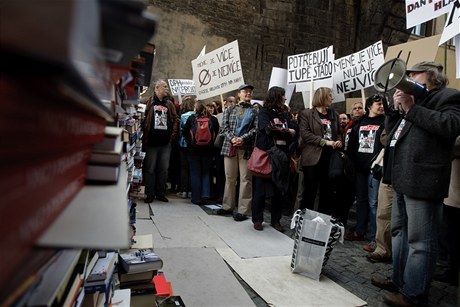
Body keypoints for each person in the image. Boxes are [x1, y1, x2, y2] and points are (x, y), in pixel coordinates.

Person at [370, 61, 460, 306]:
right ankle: (399, 281)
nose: (407, 80)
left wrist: (411, 107)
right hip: (402, 178)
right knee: (400, 233)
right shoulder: (414, 102)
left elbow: (450, 126)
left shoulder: (448, 97)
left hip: (424, 180)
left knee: (421, 241)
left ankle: (414, 294)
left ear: (431, 77)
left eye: (413, 75)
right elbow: (393, 136)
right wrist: (395, 110)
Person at [251, 86, 297, 232]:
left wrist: (289, 130)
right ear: (276, 96)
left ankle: (275, 220)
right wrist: (287, 131)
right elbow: (268, 129)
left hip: (282, 157)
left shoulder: (285, 114)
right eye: (283, 95)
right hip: (267, 155)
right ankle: (257, 219)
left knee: (279, 191)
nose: (285, 98)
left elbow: (295, 130)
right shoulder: (264, 112)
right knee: (260, 191)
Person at [345, 93, 385, 248]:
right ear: (369, 106)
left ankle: (375, 237)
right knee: (361, 200)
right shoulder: (360, 122)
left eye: (382, 104)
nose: (381, 106)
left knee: (374, 202)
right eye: (378, 104)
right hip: (360, 169)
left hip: (375, 169)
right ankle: (360, 230)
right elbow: (353, 144)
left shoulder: (385, 122)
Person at [216, 84, 258, 221]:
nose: (248, 93)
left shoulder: (254, 111)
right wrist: (232, 138)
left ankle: (243, 210)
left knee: (246, 179)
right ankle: (227, 206)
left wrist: (242, 139)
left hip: (246, 148)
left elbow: (255, 129)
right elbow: (224, 127)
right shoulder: (230, 109)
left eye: (250, 91)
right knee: (230, 178)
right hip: (230, 147)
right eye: (245, 91)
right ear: (238, 94)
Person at [298, 87, 343, 216]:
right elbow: (306, 134)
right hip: (313, 158)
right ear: (322, 97)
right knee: (310, 191)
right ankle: (305, 221)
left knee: (327, 192)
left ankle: (322, 223)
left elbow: (339, 132)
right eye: (330, 95)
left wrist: (339, 141)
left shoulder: (334, 114)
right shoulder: (307, 114)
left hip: (330, 158)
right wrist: (325, 142)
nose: (332, 98)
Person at [142, 80, 179, 203]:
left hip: (165, 143)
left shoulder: (169, 103)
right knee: (150, 169)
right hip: (151, 142)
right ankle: (150, 194)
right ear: (157, 88)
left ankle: (161, 193)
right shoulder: (149, 102)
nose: (167, 89)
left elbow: (175, 119)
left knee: (163, 169)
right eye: (165, 87)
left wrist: (172, 136)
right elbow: (144, 116)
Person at [434, 135, 460, 286]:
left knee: (452, 233)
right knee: (450, 233)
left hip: (455, 193)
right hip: (452, 190)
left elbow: (452, 144)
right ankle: (450, 268)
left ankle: (452, 270)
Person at [182, 101, 220, 205]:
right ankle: (205, 196)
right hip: (208, 151)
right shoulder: (213, 119)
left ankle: (196, 198)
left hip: (193, 150)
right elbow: (216, 132)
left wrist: (190, 142)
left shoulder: (192, 119)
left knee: (195, 173)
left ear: (196, 108)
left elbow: (184, 132)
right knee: (206, 173)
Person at [176, 96, 195, 198]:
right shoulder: (196, 115)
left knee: (184, 168)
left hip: (183, 144)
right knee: (192, 168)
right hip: (194, 145)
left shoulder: (183, 116)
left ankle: (183, 190)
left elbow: (180, 131)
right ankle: (191, 191)